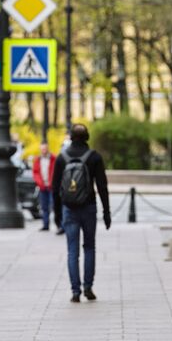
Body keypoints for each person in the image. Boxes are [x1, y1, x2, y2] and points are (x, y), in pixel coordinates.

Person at [52, 124, 111, 303]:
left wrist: (57, 214)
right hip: (88, 207)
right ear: (87, 137)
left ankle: (75, 291)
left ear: (70, 137)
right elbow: (102, 186)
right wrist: (106, 211)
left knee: (72, 251)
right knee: (89, 247)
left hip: (69, 208)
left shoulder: (61, 158)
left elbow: (55, 188)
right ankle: (88, 287)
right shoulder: (94, 157)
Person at [32, 142, 62, 233]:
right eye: (42, 149)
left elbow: (56, 172)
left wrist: (53, 183)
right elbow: (35, 172)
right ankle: (46, 224)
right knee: (44, 207)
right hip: (42, 187)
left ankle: (59, 224)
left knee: (55, 206)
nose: (43, 151)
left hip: (52, 187)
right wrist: (40, 183)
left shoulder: (54, 158)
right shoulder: (38, 160)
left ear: (47, 149)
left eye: (45, 149)